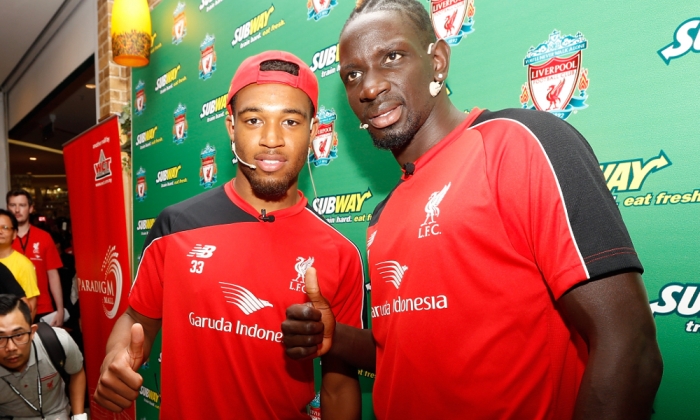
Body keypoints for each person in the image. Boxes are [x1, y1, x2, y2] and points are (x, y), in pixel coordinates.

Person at [282, 1, 664, 419]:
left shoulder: (520, 143)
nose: (369, 88)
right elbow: (407, 358)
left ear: (438, 62)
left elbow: (629, 344)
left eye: (391, 57)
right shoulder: (383, 215)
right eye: (352, 74)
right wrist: (334, 338)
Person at [94, 51, 365, 419]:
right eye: (254, 120)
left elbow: (338, 387)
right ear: (230, 127)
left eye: (290, 121)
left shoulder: (340, 253)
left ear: (314, 129)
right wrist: (115, 358)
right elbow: (135, 318)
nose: (271, 139)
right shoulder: (175, 225)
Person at [0, 294, 86, 420]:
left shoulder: (58, 342)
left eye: (19, 335)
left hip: (57, 414)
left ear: (32, 332)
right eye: (0, 338)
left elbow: (76, 372)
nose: (11, 347)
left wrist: (79, 417)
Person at [7, 190, 64, 326]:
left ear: (31, 208)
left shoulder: (44, 237)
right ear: (7, 208)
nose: (17, 210)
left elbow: (53, 276)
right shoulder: (3, 238)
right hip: (9, 308)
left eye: (22, 205)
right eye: (12, 205)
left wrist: (60, 310)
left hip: (43, 308)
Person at [0, 210, 39, 320]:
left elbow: (31, 305)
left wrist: (22, 334)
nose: (0, 231)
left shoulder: (24, 264)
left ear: (14, 234)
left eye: (5, 228)